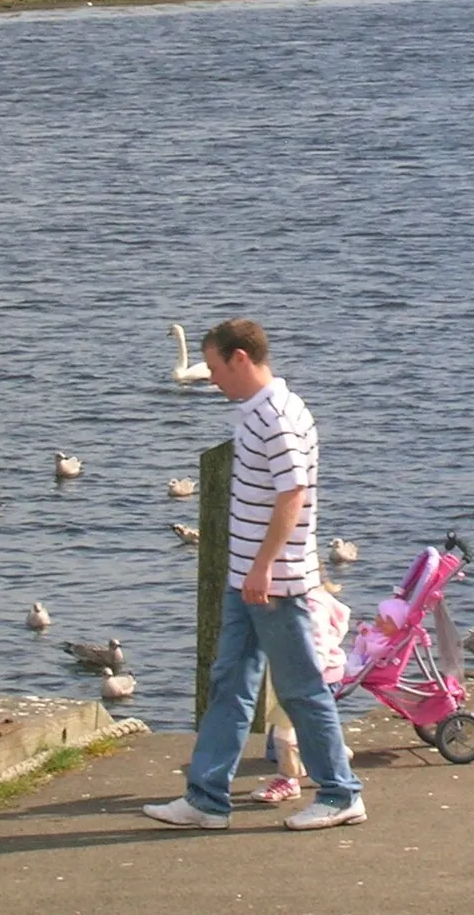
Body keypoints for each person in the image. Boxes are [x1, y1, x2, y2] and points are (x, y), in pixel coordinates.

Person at [142, 318, 365, 832]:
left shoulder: (278, 417)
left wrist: (263, 568)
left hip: (277, 582)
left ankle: (340, 792)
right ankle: (206, 798)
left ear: (240, 359)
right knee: (230, 683)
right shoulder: (256, 411)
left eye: (217, 368)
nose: (212, 379)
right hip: (248, 579)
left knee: (300, 688)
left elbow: (293, 496)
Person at [251, 583, 352, 805]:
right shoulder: (317, 601)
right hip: (322, 676)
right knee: (313, 726)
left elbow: (316, 647)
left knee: (284, 734)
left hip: (309, 678)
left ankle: (288, 779)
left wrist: (301, 673)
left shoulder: (310, 607)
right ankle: (333, 752)